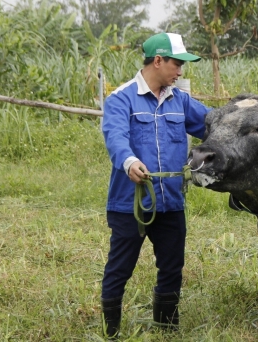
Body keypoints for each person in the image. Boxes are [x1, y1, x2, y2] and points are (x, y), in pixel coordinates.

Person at [100, 32, 210, 338]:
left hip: (171, 202)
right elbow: (116, 137)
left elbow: (213, 124)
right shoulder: (121, 99)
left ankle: (166, 327)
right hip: (130, 203)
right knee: (120, 268)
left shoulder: (182, 101)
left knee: (172, 267)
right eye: (177, 64)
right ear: (158, 61)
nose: (180, 71)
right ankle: (111, 330)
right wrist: (130, 162)